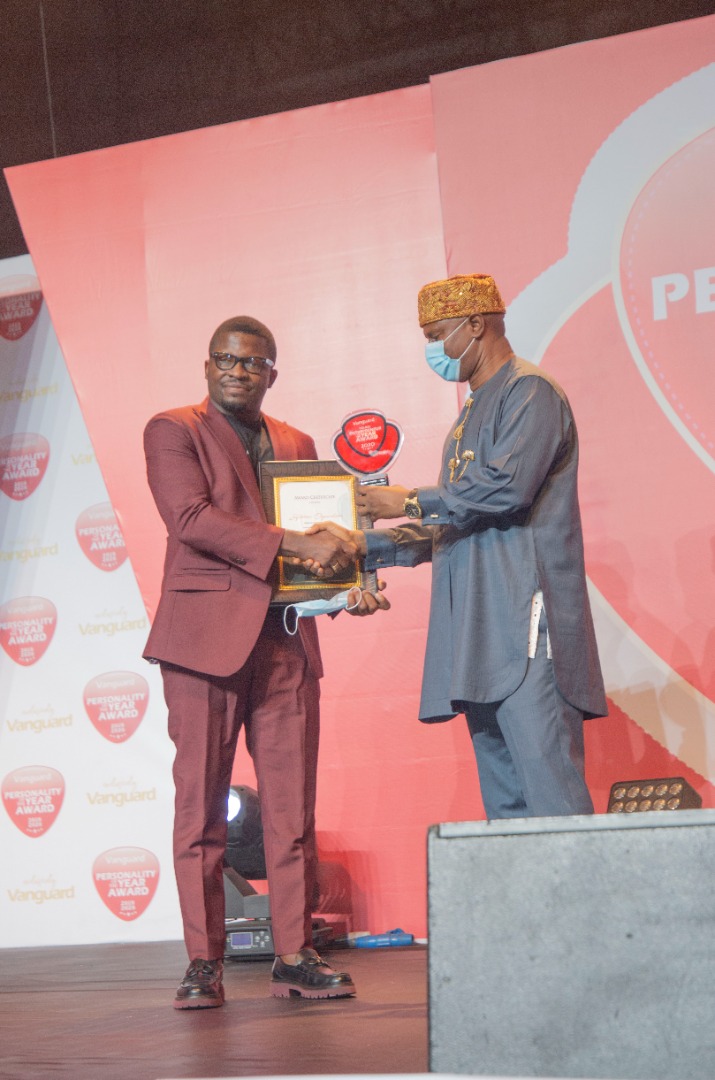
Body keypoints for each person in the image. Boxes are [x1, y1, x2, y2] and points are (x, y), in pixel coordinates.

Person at [143, 315, 388, 1009]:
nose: (235, 371)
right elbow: (190, 519)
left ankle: (293, 952)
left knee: (291, 809)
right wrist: (299, 546)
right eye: (223, 358)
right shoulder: (173, 429)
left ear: (271, 372)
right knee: (200, 810)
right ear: (206, 363)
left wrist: (348, 587)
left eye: (251, 363)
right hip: (202, 643)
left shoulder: (296, 442)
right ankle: (203, 962)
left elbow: (321, 547)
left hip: (283, 640)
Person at [314, 274, 607, 820]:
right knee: (506, 811)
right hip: (479, 636)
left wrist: (408, 500)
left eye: (438, 333)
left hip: (526, 626)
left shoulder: (529, 392)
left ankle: (578, 907)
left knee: (552, 803)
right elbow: (455, 518)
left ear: (477, 325)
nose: (433, 349)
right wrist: (364, 548)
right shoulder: (468, 415)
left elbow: (506, 488)